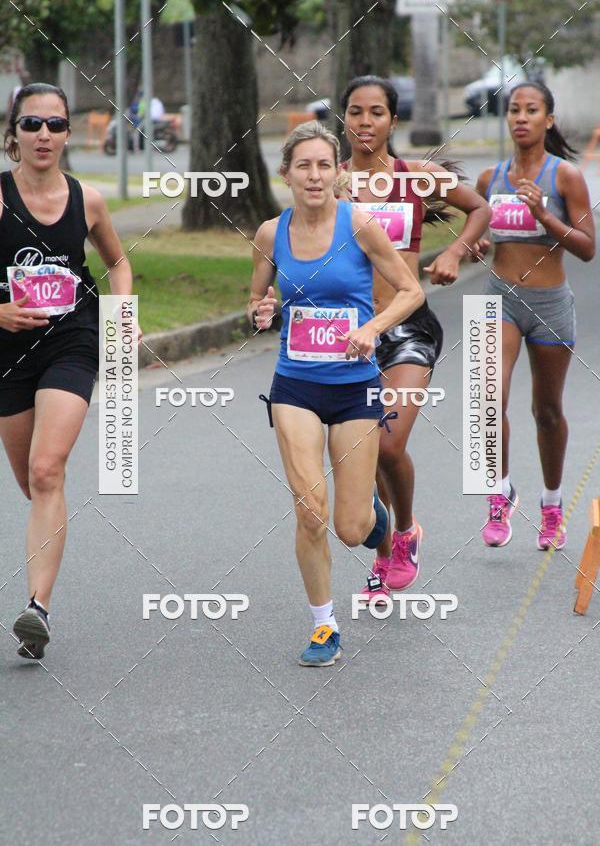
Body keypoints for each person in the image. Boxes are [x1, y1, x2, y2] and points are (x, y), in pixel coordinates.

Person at [249, 121, 424, 666]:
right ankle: (324, 625)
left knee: (350, 529)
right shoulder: (269, 234)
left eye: (324, 165)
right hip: (295, 386)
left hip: (356, 389)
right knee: (309, 511)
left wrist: (372, 328)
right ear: (286, 174)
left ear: (337, 172)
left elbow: (411, 290)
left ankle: (377, 519)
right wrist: (262, 311)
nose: (315, 175)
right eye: (303, 165)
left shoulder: (361, 224)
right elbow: (256, 301)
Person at [0, 83, 140, 659]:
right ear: (13, 134)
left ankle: (37, 609)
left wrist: (121, 315)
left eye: (55, 125)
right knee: (32, 483)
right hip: (8, 353)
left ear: (68, 134)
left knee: (47, 469)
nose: (44, 135)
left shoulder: (89, 200)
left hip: (72, 341)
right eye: (32, 124)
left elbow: (119, 263)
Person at [340, 76, 491, 600]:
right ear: (344, 119)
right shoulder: (333, 184)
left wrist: (454, 252)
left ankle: (405, 531)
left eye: (376, 112)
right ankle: (384, 557)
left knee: (387, 443)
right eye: (355, 112)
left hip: (408, 329)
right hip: (352, 335)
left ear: (393, 121)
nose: (365, 122)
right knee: (364, 457)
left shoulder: (416, 178)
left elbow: (480, 209)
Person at [475, 82, 595, 550]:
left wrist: (545, 216)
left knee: (546, 412)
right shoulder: (490, 178)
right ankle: (499, 493)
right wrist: (475, 246)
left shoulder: (565, 177)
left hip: (550, 304)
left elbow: (587, 248)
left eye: (531, 110)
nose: (521, 117)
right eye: (514, 110)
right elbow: (478, 237)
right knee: (487, 400)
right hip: (498, 298)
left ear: (549, 119)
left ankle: (551, 504)